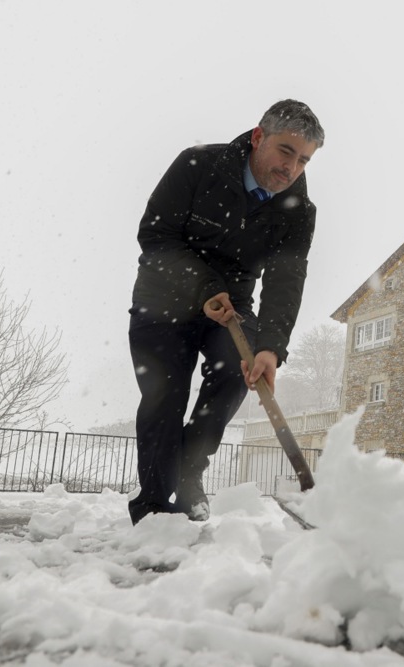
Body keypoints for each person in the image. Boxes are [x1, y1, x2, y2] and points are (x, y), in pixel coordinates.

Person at [127, 100, 324, 525]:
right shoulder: (198, 165)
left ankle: (189, 472)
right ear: (258, 137)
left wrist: (271, 348)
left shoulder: (299, 212)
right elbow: (156, 235)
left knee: (239, 370)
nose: (292, 168)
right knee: (165, 397)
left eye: (304, 160)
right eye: (285, 151)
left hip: (231, 307)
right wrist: (204, 287)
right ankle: (155, 507)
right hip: (162, 300)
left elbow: (286, 281)